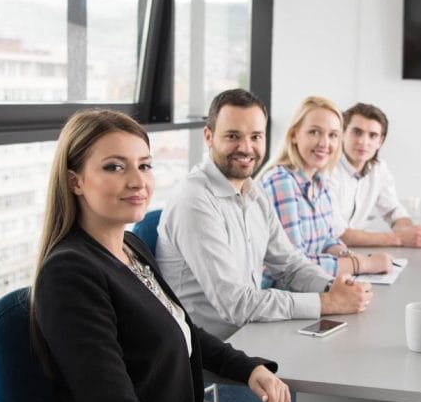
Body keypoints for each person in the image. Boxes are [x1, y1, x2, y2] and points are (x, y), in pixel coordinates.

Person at [30, 109, 370, 402]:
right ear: (74, 180)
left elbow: (183, 329)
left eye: (145, 165)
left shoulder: (130, 248)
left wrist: (249, 369)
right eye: (114, 167)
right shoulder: (70, 275)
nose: (137, 181)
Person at [157, 89, 373, 341]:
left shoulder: (253, 192)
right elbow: (235, 304)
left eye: (256, 136)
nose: (246, 147)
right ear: (209, 136)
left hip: (254, 331)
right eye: (233, 136)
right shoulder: (194, 201)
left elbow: (289, 264)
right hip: (214, 350)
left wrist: (332, 286)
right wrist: (326, 302)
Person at [260, 96, 392, 284]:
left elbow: (327, 240)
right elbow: (295, 267)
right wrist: (363, 264)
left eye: (333, 135)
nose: (324, 143)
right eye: (314, 132)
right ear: (294, 135)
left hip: (312, 289)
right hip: (281, 299)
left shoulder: (320, 181)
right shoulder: (281, 182)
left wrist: (347, 255)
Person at [328, 102, 421, 248]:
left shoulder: (378, 168)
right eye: (357, 132)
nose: (363, 142)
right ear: (342, 133)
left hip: (352, 252)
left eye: (373, 135)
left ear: (380, 141)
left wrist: (413, 233)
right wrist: (399, 238)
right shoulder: (327, 169)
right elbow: (337, 233)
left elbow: (393, 210)